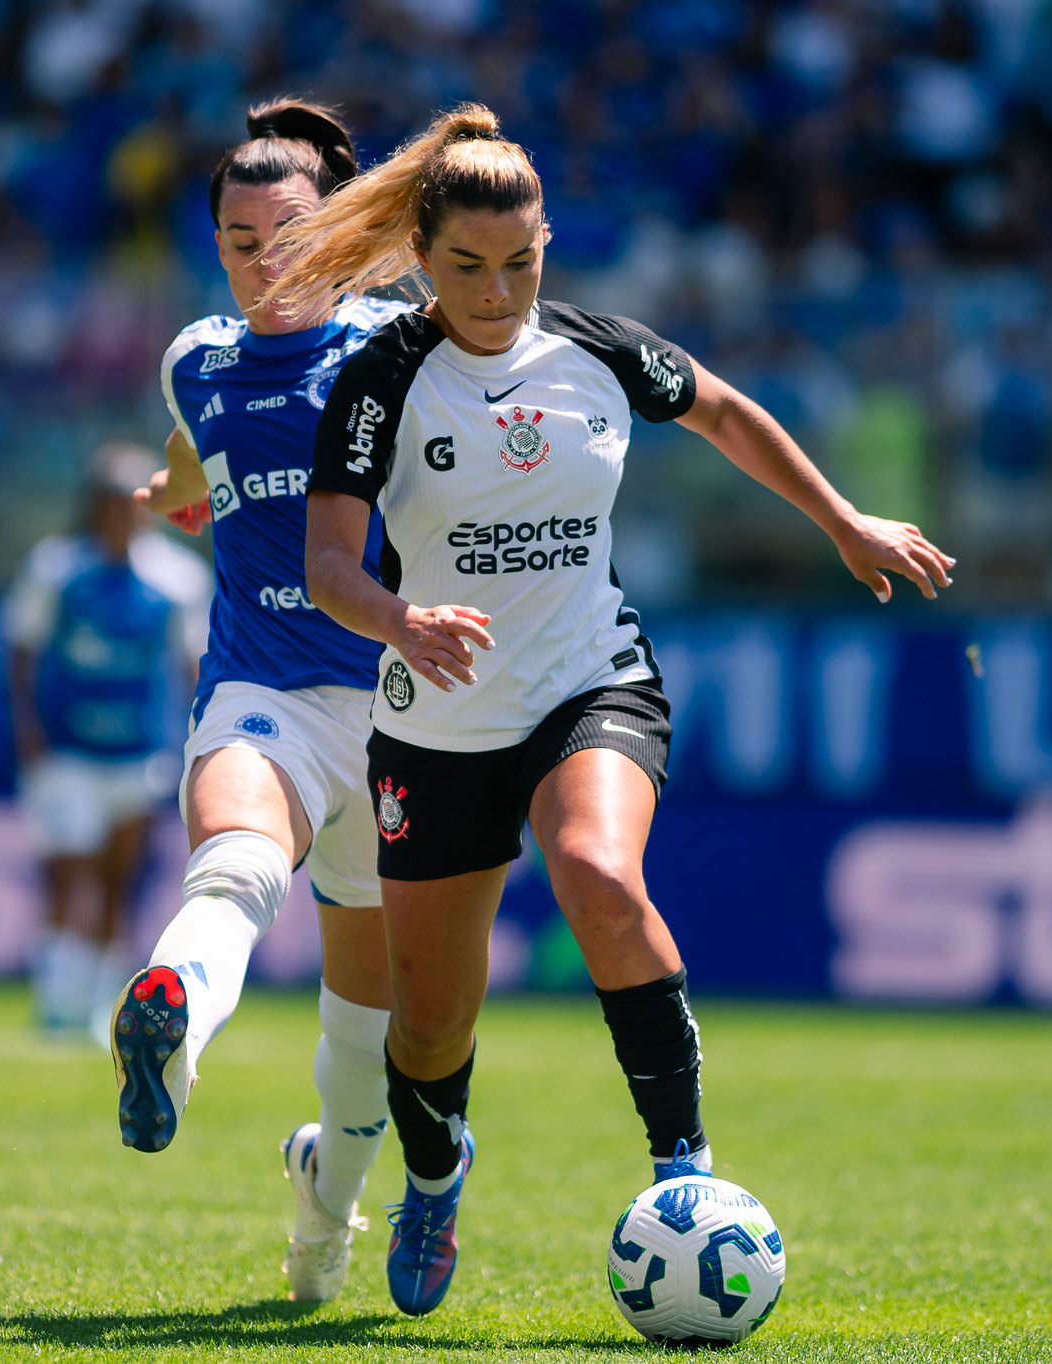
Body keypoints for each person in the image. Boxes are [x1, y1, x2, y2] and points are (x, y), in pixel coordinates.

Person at [276, 104, 955, 1317]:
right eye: (468, 267)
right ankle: (435, 1179)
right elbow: (329, 564)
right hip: (432, 725)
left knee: (595, 866)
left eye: (522, 260)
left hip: (591, 681)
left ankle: (683, 1171)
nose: (498, 290)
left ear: (549, 243)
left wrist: (843, 520)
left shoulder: (597, 352)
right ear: (423, 262)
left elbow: (727, 412)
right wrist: (399, 620)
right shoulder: (379, 380)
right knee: (427, 1031)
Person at [119, 98, 414, 1304]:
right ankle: (168, 1024)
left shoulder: (398, 349)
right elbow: (197, 455)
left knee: (367, 1036)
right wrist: (175, 489)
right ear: (217, 248)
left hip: (404, 712)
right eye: (241, 241)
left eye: (290, 233)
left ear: (336, 230)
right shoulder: (194, 357)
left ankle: (322, 1215)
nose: (265, 261)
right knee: (233, 865)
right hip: (264, 689)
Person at [2, 442, 211, 1041]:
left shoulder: (177, 579)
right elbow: (22, 645)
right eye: (113, 501)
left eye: (133, 502)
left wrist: (197, 735)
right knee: (68, 871)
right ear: (93, 505)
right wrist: (27, 727)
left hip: (139, 753)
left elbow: (190, 663)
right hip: (66, 749)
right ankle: (56, 1000)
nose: (125, 513)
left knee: (119, 880)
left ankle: (98, 1005)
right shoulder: (55, 569)